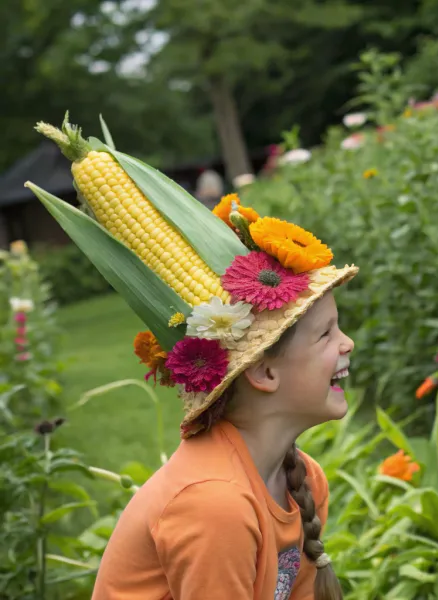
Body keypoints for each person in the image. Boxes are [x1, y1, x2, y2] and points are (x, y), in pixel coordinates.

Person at [27, 116, 357, 600]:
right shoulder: (214, 503)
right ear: (264, 372)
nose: (347, 343)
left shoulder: (301, 479)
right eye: (326, 334)